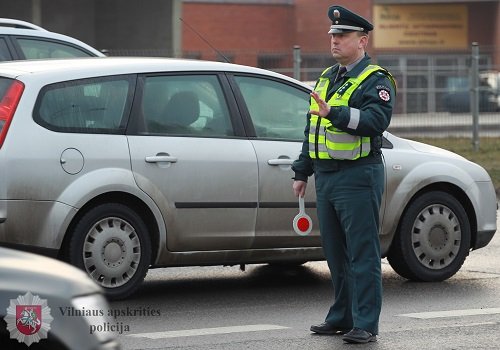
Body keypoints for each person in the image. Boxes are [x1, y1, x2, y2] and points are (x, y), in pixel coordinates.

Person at [291, 5, 396, 344]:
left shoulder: (376, 79)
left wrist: (335, 112)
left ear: (362, 40)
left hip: (358, 175)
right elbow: (312, 128)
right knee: (335, 254)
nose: (334, 41)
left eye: (342, 35)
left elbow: (375, 122)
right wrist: (302, 169)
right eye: (332, 35)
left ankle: (366, 323)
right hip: (327, 177)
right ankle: (341, 316)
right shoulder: (326, 77)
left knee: (362, 254)